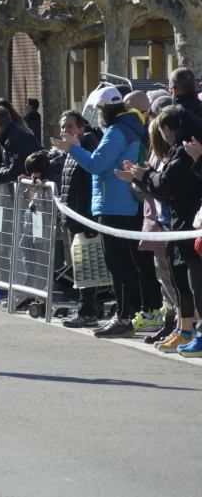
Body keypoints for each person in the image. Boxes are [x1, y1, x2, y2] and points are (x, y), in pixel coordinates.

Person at [51, 91, 161, 337]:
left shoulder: (118, 131)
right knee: (136, 263)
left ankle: (124, 315)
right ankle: (141, 312)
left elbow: (97, 165)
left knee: (119, 264)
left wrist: (73, 149)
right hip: (128, 203)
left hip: (115, 205)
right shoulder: (136, 129)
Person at [129, 107, 202, 357]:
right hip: (180, 223)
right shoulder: (181, 152)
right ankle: (185, 330)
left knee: (192, 283)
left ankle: (191, 331)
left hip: (188, 225)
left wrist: (145, 175)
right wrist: (143, 177)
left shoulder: (184, 152)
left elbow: (169, 185)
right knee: (184, 282)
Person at [54, 111, 104, 328]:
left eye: (70, 127)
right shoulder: (68, 152)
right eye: (63, 127)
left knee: (87, 266)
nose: (66, 131)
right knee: (81, 266)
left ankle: (88, 311)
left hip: (85, 218)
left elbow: (89, 181)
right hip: (73, 218)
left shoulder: (87, 147)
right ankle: (89, 307)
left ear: (81, 128)